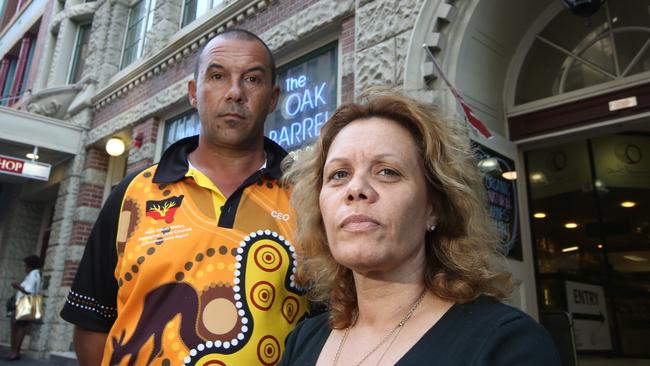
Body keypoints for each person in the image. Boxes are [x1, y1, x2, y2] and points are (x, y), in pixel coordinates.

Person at [60, 29, 307, 366]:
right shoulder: (132, 194)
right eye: (218, 76)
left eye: (252, 79)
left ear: (273, 97)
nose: (235, 92)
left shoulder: (307, 198)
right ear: (193, 92)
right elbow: (93, 322)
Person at [280, 90, 561, 365]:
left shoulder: (506, 343)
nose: (355, 189)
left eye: (387, 171)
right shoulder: (303, 340)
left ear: (435, 208)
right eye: (339, 174)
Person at [7, 255, 42, 361]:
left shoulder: (33, 274)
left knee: (17, 327)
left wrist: (17, 286)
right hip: (31, 302)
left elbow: (28, 290)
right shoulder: (37, 274)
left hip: (26, 302)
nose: (24, 268)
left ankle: (15, 352)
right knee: (21, 327)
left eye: (25, 265)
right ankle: (15, 352)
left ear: (30, 266)